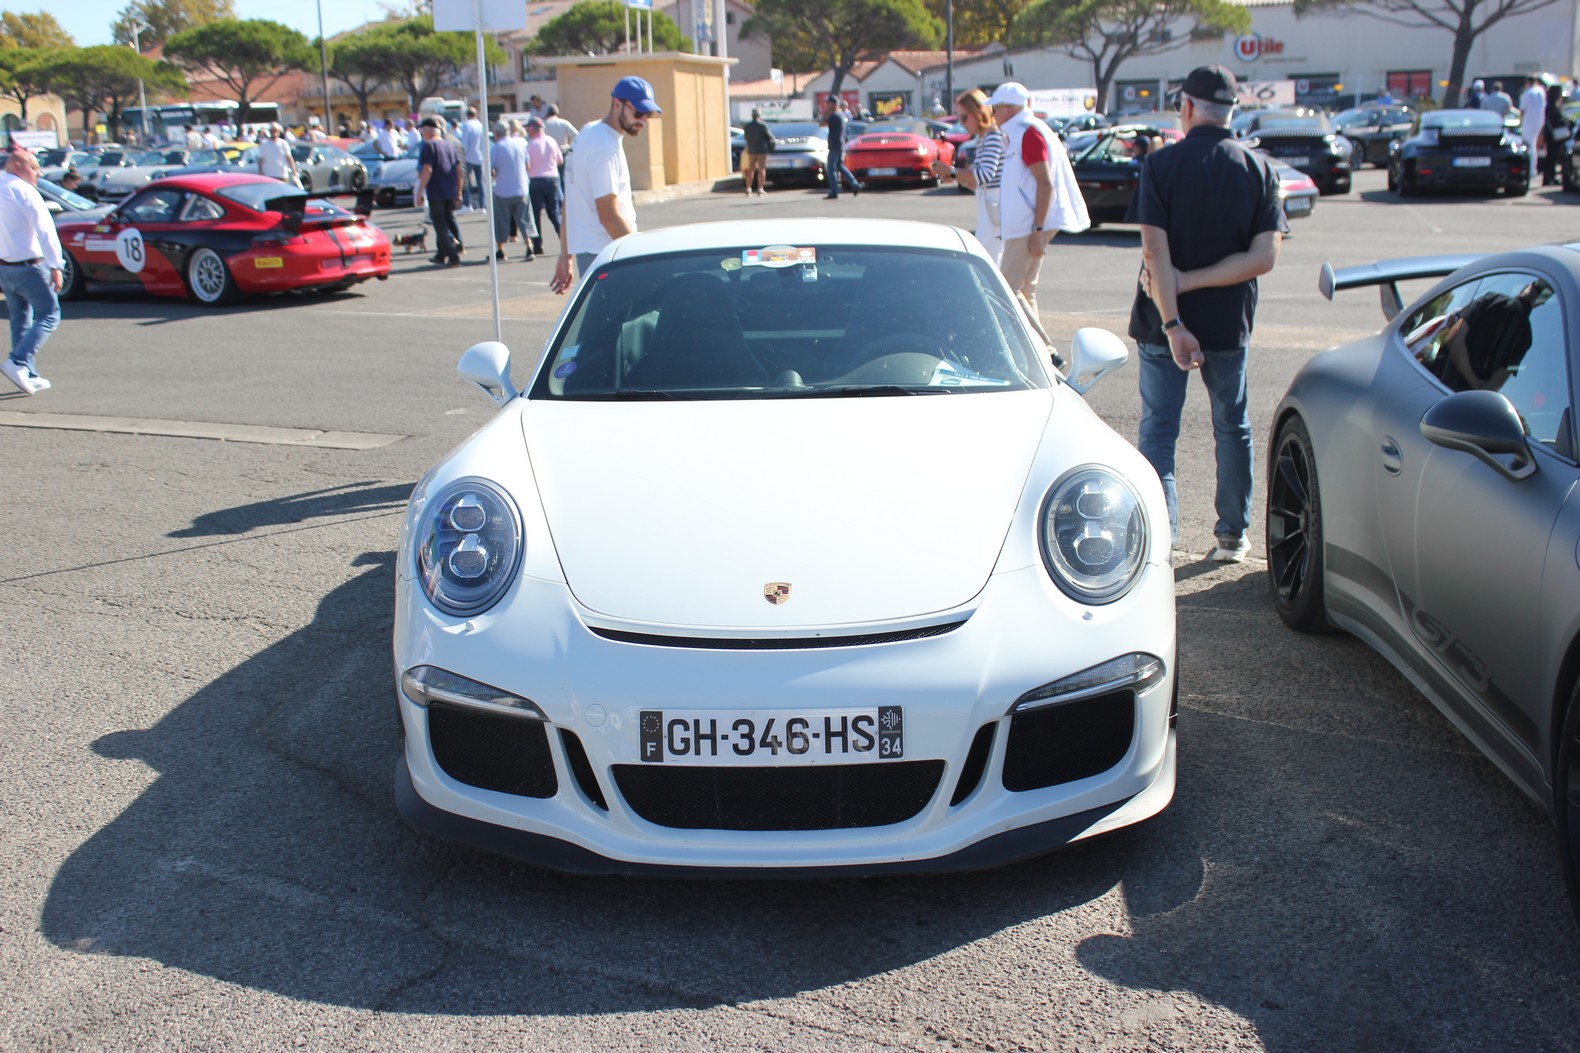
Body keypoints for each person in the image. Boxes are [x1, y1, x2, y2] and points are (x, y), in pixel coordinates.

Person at [1127, 64, 1286, 563]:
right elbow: (1263, 258)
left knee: (1158, 430)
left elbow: (1154, 252)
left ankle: (1162, 537)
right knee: (1232, 426)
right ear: (1233, 111)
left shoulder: (1161, 165)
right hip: (1227, 322)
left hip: (1160, 321)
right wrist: (1197, 282)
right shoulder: (1260, 169)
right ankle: (1233, 537)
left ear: (1188, 107)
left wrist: (1174, 317)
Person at [551, 75, 659, 295]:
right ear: (617, 103)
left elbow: (569, 201)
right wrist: (640, 255)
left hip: (592, 253)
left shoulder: (588, 132)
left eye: (647, 114)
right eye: (638, 113)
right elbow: (608, 214)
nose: (643, 120)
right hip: (608, 254)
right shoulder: (604, 145)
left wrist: (566, 254)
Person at [987, 81, 1088, 314]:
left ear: (1009, 111)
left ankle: (1045, 348)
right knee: (1023, 292)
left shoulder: (1027, 132)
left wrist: (1037, 229)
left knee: (1010, 293)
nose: (992, 114)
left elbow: (1045, 183)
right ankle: (1045, 348)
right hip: (1027, 225)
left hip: (1027, 226)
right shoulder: (1023, 130)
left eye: (995, 109)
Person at [0, 148, 64, 395]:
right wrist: (56, 265)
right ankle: (18, 361)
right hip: (29, 266)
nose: (38, 173)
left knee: (20, 319)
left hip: (5, 267)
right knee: (50, 315)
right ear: (18, 167)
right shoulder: (25, 190)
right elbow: (46, 230)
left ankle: (28, 371)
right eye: (34, 167)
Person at [929, 88, 1008, 264]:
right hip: (990, 206)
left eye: (964, 117)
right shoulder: (984, 138)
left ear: (978, 113)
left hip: (995, 208)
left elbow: (985, 175)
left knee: (989, 261)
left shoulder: (993, 136)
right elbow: (980, 182)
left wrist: (951, 171)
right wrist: (955, 176)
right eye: (959, 117)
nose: (962, 123)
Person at [415, 116, 464, 267]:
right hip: (450, 189)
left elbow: (427, 170)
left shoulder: (428, 146)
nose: (422, 133)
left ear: (428, 130)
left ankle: (453, 255)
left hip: (436, 190)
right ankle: (441, 254)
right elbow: (458, 169)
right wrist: (459, 190)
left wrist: (419, 192)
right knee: (446, 220)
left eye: (422, 130)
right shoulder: (448, 144)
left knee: (440, 225)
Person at [489, 119, 535, 262]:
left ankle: (500, 250)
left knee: (501, 220)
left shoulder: (496, 148)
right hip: (521, 187)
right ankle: (529, 247)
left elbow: (491, 169)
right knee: (524, 219)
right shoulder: (520, 144)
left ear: (496, 133)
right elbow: (528, 166)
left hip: (503, 189)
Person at [523, 116, 562, 257]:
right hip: (552, 178)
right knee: (554, 212)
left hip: (536, 180)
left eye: (528, 128)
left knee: (535, 214)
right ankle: (564, 239)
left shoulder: (530, 145)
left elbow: (528, 166)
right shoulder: (552, 141)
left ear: (533, 128)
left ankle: (538, 244)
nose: (527, 130)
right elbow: (560, 160)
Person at [819, 94, 862, 200]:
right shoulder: (841, 115)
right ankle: (855, 184)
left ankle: (834, 192)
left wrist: (826, 113)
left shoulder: (834, 116)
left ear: (833, 104)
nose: (827, 106)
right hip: (840, 145)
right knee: (839, 166)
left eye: (828, 104)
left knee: (831, 169)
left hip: (835, 145)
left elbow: (822, 124)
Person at [740, 107, 776, 196]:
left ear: (752, 115)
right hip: (762, 150)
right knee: (761, 169)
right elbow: (770, 137)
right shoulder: (763, 125)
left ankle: (748, 189)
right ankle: (760, 189)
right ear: (759, 115)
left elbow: (746, 137)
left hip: (751, 150)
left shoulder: (747, 125)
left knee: (750, 170)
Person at [1519, 76, 1547, 185]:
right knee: (1533, 146)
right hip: (1539, 121)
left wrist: (1519, 121)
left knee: (1528, 146)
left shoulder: (1527, 94)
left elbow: (1522, 110)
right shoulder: (1541, 92)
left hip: (1529, 122)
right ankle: (1533, 169)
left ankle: (1530, 169)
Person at [542, 103, 578, 187]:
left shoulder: (544, 124)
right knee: (563, 178)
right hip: (563, 152)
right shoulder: (564, 123)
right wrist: (570, 147)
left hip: (548, 154)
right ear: (557, 113)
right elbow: (576, 135)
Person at [460, 106, 488, 212]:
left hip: (469, 157)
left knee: (465, 181)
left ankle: (467, 204)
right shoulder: (480, 125)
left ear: (467, 115)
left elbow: (465, 143)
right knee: (481, 182)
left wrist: (462, 155)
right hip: (480, 157)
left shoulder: (466, 125)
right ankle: (482, 205)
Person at [1544, 82, 1572, 187]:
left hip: (1554, 135)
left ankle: (1551, 176)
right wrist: (1565, 122)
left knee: (1553, 157)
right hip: (1553, 136)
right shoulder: (1551, 106)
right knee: (1551, 157)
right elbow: (1555, 121)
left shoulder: (1554, 105)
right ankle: (1548, 177)